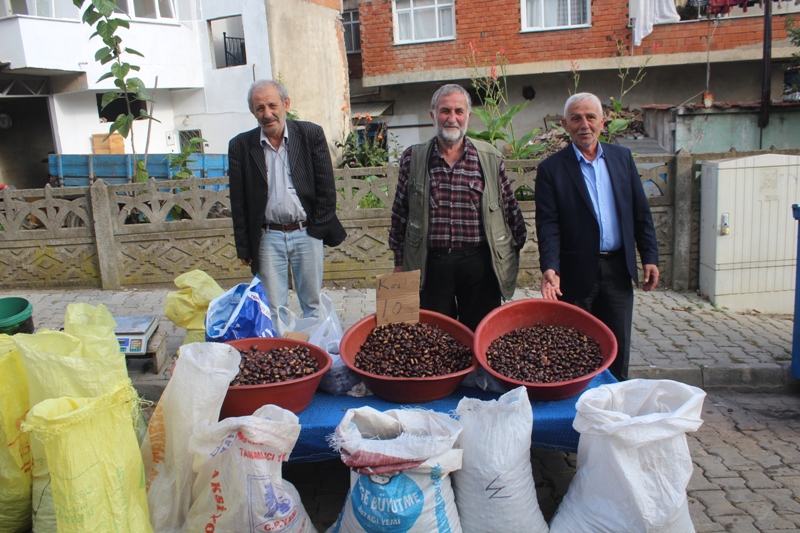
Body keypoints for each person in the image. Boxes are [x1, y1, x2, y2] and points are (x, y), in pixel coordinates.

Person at [535, 92, 659, 380]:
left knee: (617, 345)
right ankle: (576, 407)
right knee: (573, 347)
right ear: (565, 124)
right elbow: (548, 224)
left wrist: (649, 256)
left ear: (603, 122)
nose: (584, 124)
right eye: (576, 118)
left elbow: (640, 211)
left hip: (618, 269)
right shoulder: (551, 169)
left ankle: (613, 407)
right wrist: (550, 268)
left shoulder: (622, 158)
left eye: (591, 117)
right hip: (575, 273)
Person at [388, 84, 527, 331]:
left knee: (481, 334)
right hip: (430, 264)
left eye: (459, 111)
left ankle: (478, 372)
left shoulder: (490, 157)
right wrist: (400, 264)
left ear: (468, 117)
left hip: (479, 265)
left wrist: (508, 259)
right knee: (434, 336)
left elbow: (511, 211)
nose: (452, 118)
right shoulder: (414, 157)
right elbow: (400, 213)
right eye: (445, 111)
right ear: (433, 115)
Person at [228, 79, 346, 318]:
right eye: (260, 108)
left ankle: (314, 351)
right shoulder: (240, 145)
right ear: (253, 111)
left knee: (312, 304)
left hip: (306, 232)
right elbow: (238, 201)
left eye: (272, 105)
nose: (267, 114)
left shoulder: (310, 134)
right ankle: (281, 354)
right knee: (273, 308)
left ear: (286, 104)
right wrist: (244, 245)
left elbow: (326, 188)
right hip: (267, 237)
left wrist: (316, 231)